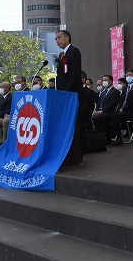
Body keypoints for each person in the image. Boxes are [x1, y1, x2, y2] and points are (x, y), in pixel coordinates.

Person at [55, 29, 85, 166]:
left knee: (75, 125)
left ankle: (77, 156)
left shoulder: (74, 51)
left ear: (67, 38)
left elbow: (74, 75)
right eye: (56, 39)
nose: (57, 40)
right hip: (63, 95)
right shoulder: (61, 55)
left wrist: (66, 92)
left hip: (72, 94)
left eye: (59, 37)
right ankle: (68, 154)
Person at [0, 76, 28, 149]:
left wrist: (11, 115)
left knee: (6, 121)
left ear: (24, 83)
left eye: (19, 82)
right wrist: (8, 114)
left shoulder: (28, 92)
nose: (16, 84)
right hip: (11, 115)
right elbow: (12, 107)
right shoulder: (16, 93)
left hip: (22, 116)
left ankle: (5, 143)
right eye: (15, 83)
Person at [109, 70, 133, 146]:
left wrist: (124, 109)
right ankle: (109, 136)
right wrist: (120, 108)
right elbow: (121, 100)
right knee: (110, 115)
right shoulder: (125, 88)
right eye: (126, 75)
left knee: (115, 117)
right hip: (124, 111)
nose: (128, 77)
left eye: (130, 75)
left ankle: (119, 138)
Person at [92, 74, 121, 143]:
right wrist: (96, 110)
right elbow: (99, 103)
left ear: (110, 81)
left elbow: (112, 104)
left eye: (105, 80)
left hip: (110, 112)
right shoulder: (103, 92)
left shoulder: (115, 92)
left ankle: (106, 137)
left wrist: (101, 111)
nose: (104, 82)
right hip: (102, 112)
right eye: (103, 80)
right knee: (94, 117)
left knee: (98, 118)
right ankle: (102, 137)